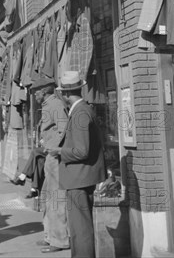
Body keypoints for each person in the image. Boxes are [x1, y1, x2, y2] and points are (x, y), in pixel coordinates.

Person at [52, 71, 106, 258]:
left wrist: (59, 151)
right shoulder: (80, 110)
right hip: (80, 177)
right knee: (78, 228)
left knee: (80, 229)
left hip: (79, 179)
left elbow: (82, 150)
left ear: (65, 94)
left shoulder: (81, 112)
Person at [31, 76, 70, 253]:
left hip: (55, 158)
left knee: (56, 200)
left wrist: (55, 149)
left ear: (44, 91)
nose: (33, 95)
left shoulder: (55, 105)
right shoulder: (49, 105)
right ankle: (49, 235)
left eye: (35, 91)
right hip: (50, 157)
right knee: (48, 197)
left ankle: (60, 240)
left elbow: (64, 129)